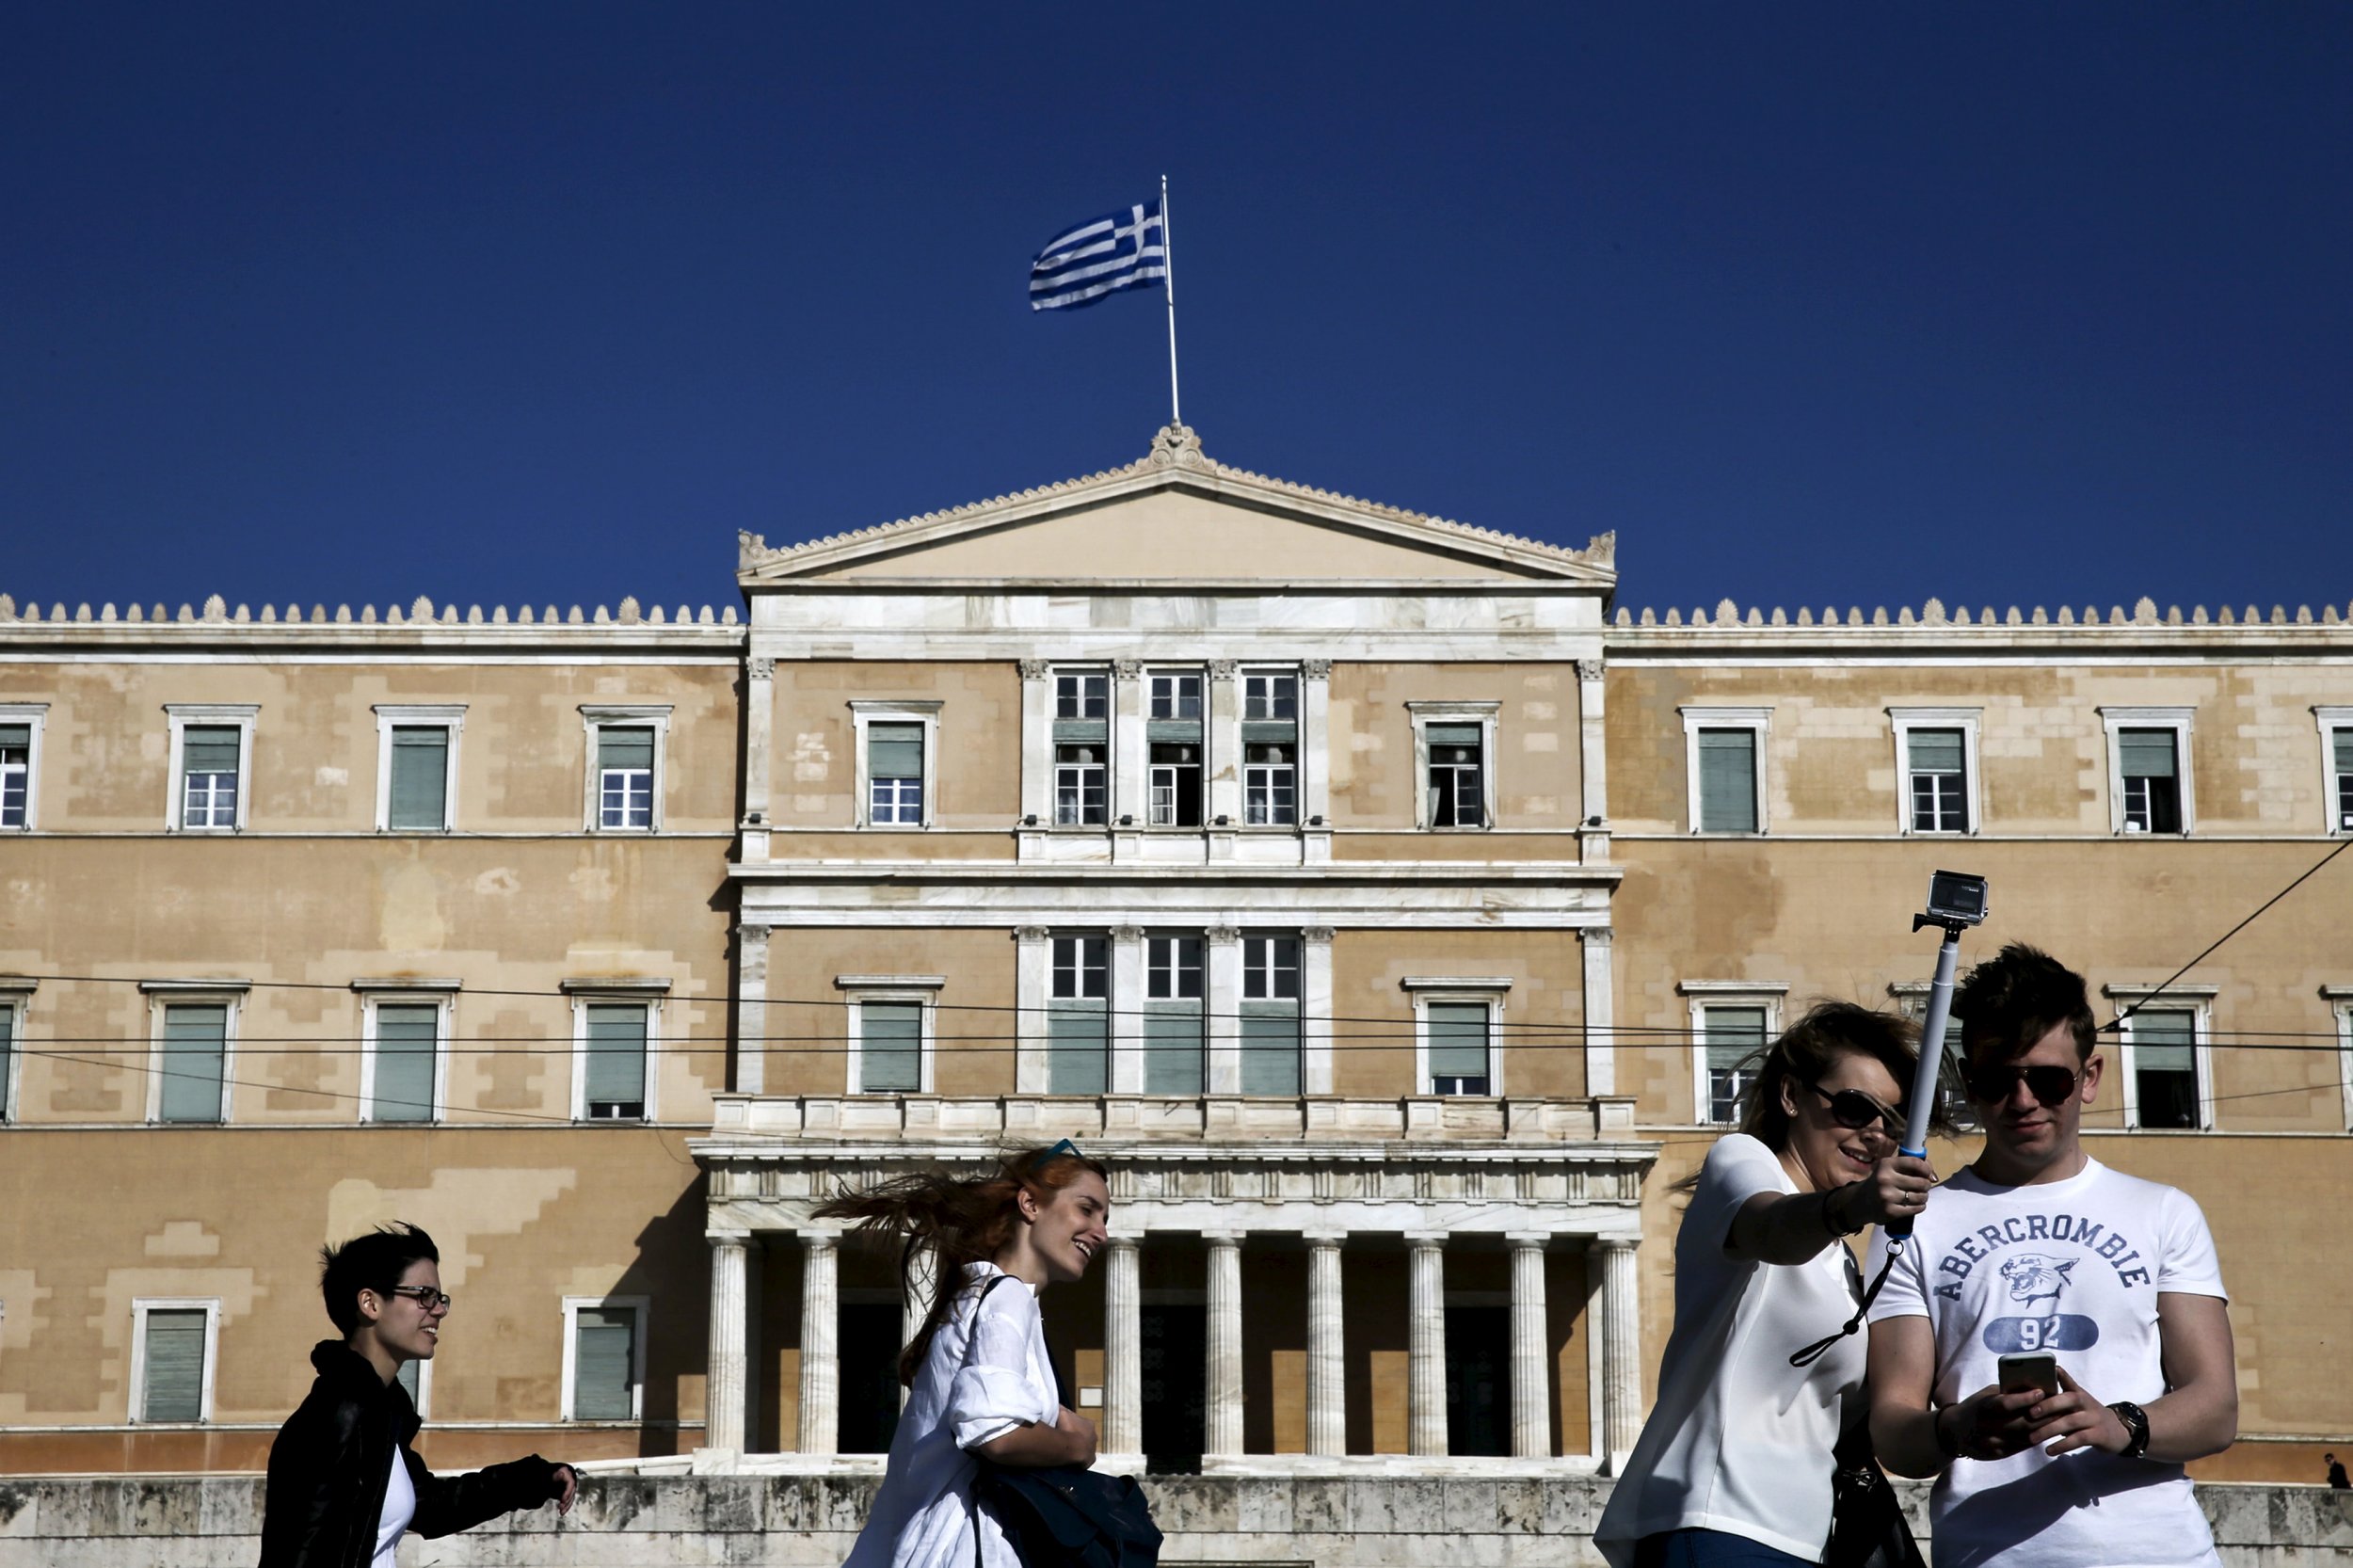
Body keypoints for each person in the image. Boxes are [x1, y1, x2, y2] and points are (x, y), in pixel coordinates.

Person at [1866, 944, 2238, 1567]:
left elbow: (2216, 1407)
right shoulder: (1915, 1223)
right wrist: (1957, 1428)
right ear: (1968, 1084)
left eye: (2048, 1079)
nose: (2023, 1100)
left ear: (2089, 1078)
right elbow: (1893, 1427)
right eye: (1997, 1080)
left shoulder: (2164, 1211)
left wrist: (2120, 1424)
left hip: (2159, 1552)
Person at [1594, 1002, 1939, 1568]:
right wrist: (1854, 1204)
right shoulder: (1744, 1161)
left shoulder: (1844, 1265)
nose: (1875, 1135)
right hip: (1718, 1517)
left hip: (1802, 1538)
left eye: (1893, 1123)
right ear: (1790, 1097)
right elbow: (1769, 1228)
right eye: (1855, 1108)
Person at [818, 1142, 1112, 1568]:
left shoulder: (984, 1296)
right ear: (1030, 1204)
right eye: (1087, 1209)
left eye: (1104, 1218)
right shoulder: (1005, 1298)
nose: (1101, 1232)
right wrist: (1078, 1444)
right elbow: (998, 1435)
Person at [258, 1222, 577, 1568]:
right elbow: (295, 1554)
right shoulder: (336, 1417)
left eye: (440, 1299)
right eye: (424, 1295)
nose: (438, 1310)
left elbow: (432, 1507)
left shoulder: (379, 1413)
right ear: (370, 1303)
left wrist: (535, 1479)